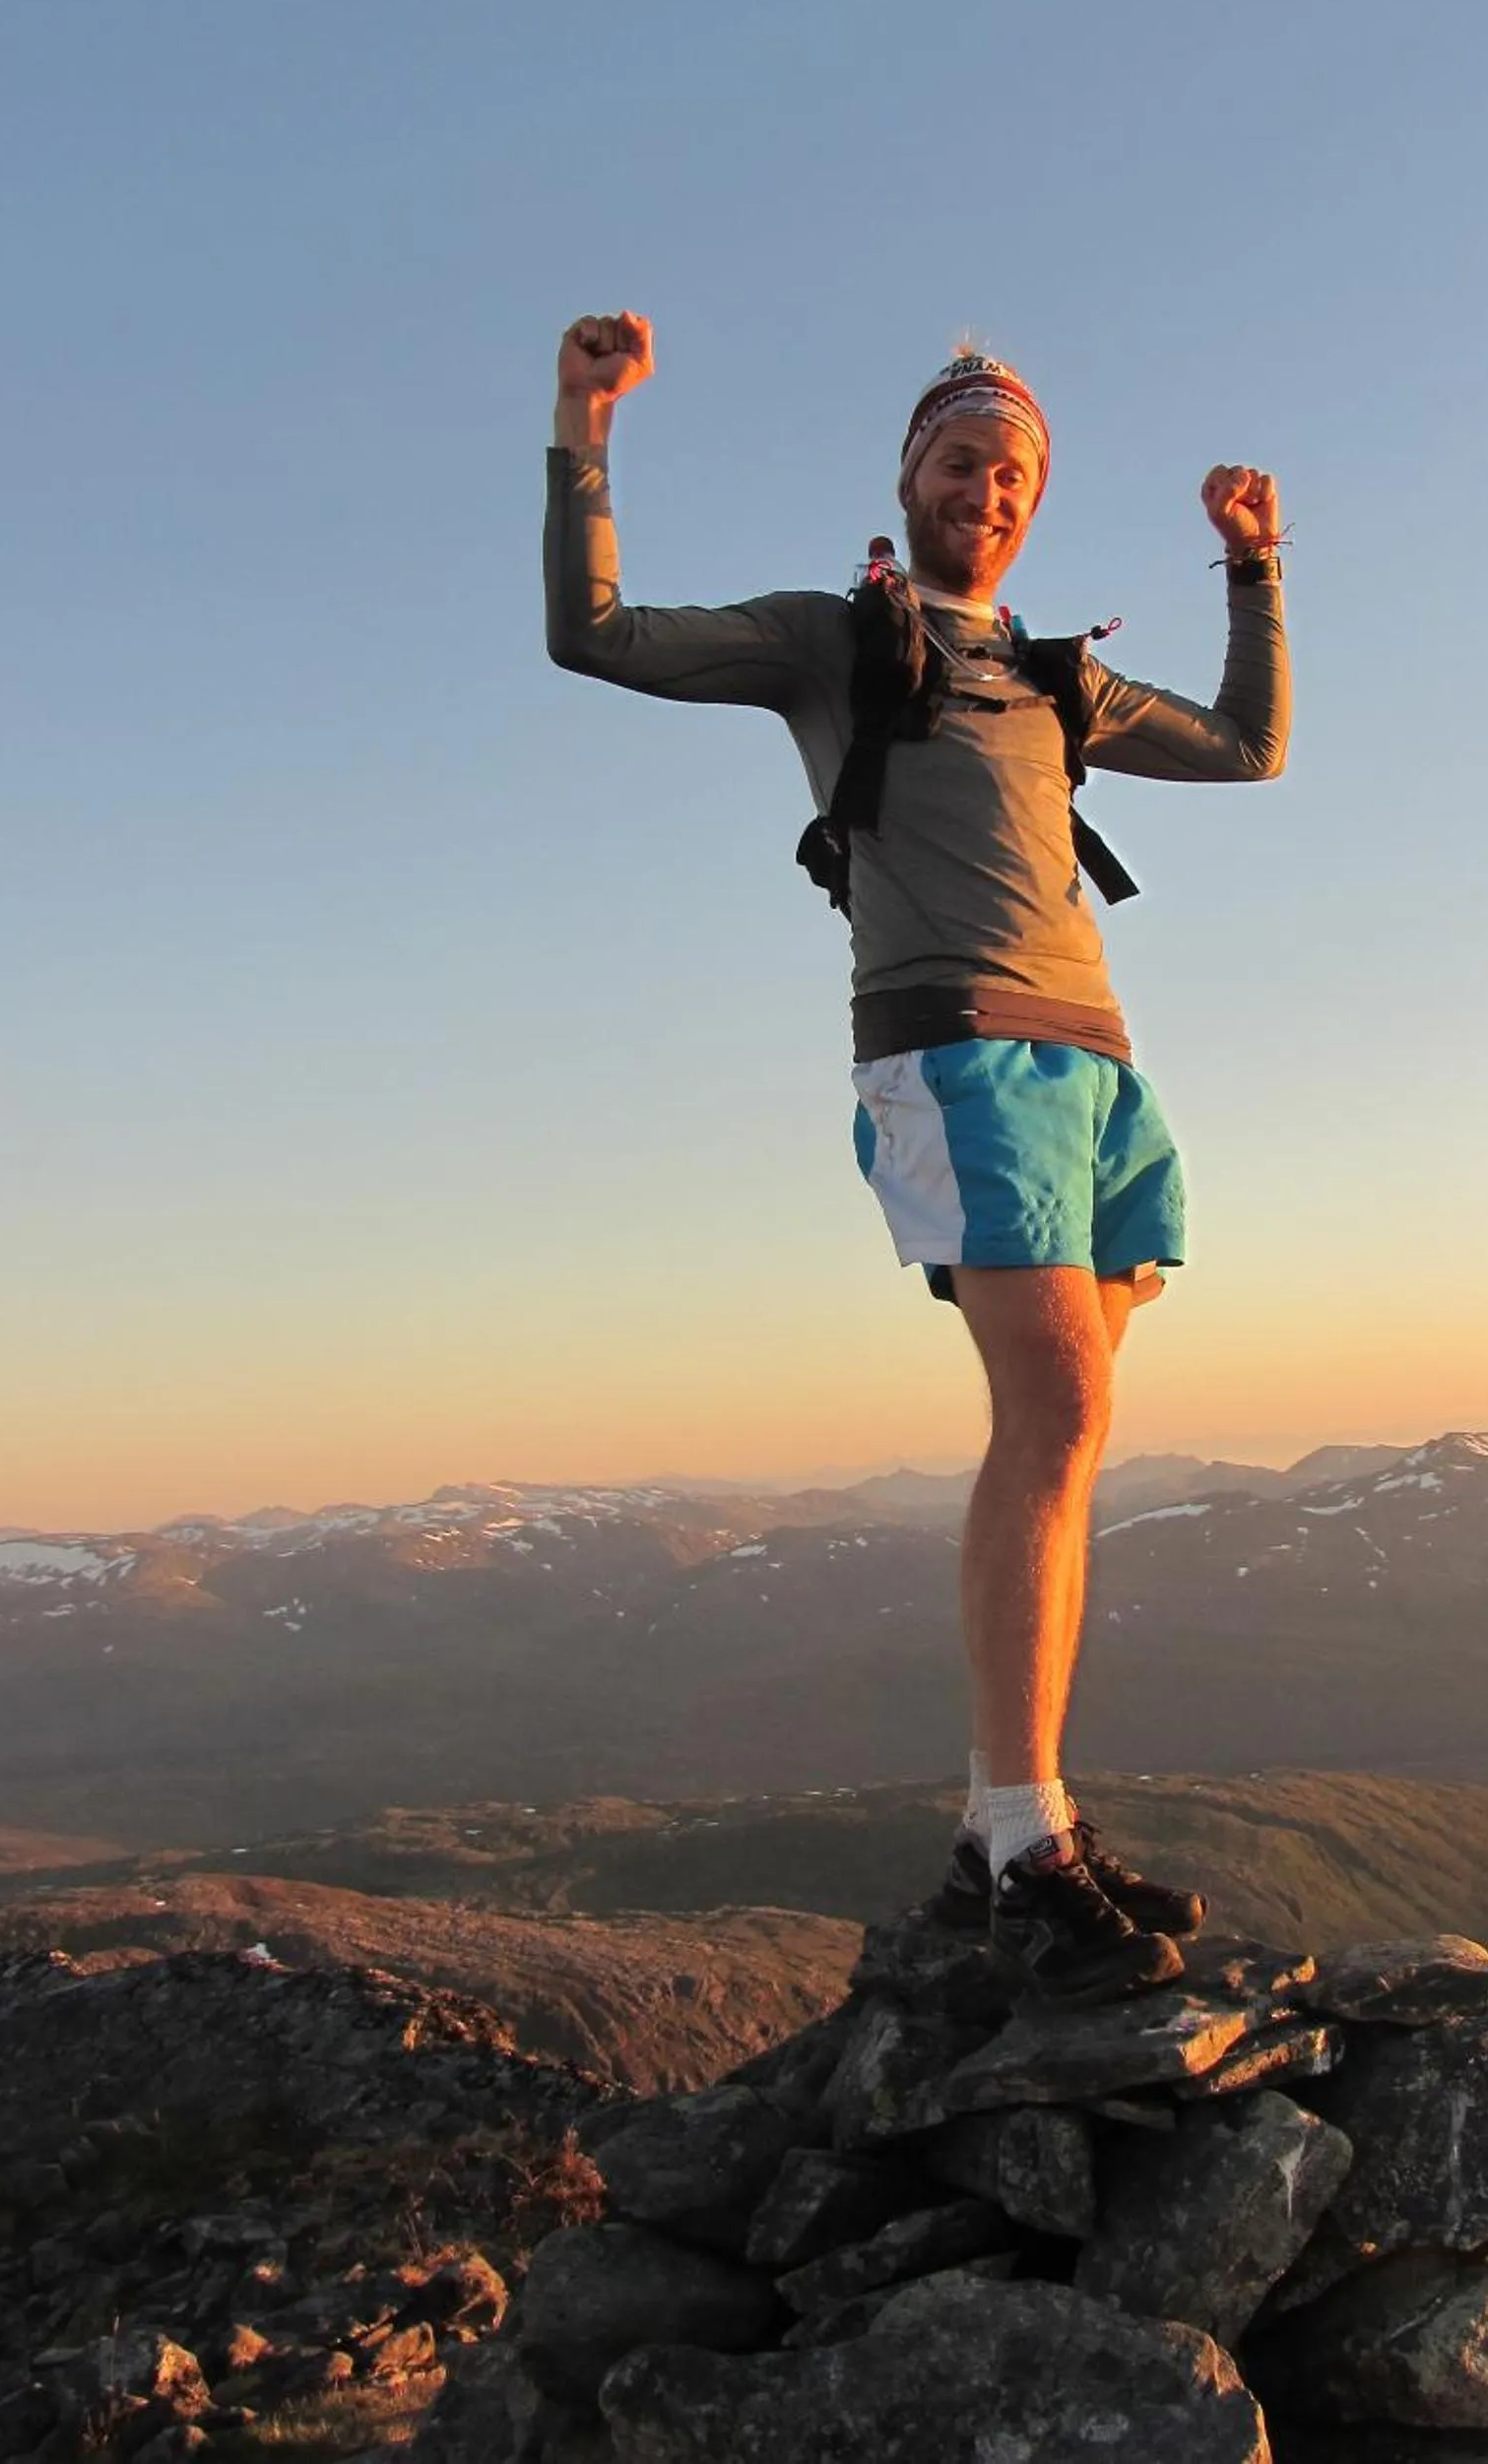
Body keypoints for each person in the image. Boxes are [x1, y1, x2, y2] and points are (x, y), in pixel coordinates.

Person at [545, 312, 1290, 2002]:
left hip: (1098, 1062)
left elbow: (1251, 747)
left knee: (1069, 1430)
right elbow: (595, 633)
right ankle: (1024, 1843)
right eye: (962, 460)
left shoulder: (1052, 676)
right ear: (907, 474)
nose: (989, 491)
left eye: (1014, 472)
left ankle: (1007, 1826)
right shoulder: (835, 640)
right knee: (1060, 1410)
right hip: (952, 1043)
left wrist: (1252, 570)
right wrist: (585, 425)